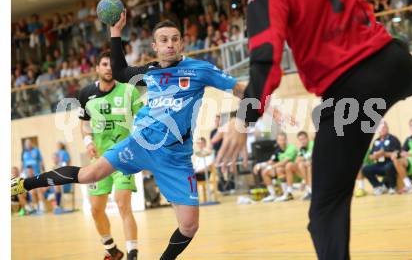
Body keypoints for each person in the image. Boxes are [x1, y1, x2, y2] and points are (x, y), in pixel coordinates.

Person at [214, 0, 412, 259]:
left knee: (326, 210)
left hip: (351, 91)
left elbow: (267, 59)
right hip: (395, 62)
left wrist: (244, 117)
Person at [12, 16, 245, 260]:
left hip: (176, 157)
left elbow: (244, 91)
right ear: (154, 46)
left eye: (175, 39)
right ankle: (22, 184)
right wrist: (115, 31)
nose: (170, 44)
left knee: (189, 226)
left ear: (182, 43)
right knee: (89, 174)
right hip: (140, 144)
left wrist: (242, 120)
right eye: (163, 40)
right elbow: (122, 72)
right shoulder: (150, 71)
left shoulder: (200, 70)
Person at [78, 51, 143, 260]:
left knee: (123, 203)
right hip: (98, 161)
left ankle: (133, 253)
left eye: (111, 65)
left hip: (124, 156)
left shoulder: (129, 91)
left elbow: (142, 119)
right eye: (104, 64)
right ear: (97, 68)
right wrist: (88, 142)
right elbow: (84, 123)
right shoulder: (86, 93)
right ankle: (112, 249)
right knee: (96, 209)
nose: (108, 68)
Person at [362, 121, 401, 195]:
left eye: (383, 127)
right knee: (365, 169)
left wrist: (384, 154)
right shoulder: (376, 141)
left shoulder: (393, 139)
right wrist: (375, 156)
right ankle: (378, 186)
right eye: (380, 128)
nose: (382, 129)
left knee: (388, 167)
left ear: (387, 128)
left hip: (391, 164)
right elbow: (370, 156)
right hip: (379, 164)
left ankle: (392, 187)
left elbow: (397, 153)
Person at [21, 139, 46, 214]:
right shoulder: (23, 152)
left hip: (36, 174)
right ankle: (35, 207)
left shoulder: (36, 150)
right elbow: (22, 162)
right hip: (27, 175)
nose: (28, 145)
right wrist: (21, 171)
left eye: (29, 143)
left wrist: (43, 170)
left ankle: (42, 207)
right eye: (26, 144)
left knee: (38, 189)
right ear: (25, 145)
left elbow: (41, 160)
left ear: (31, 143)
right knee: (31, 192)